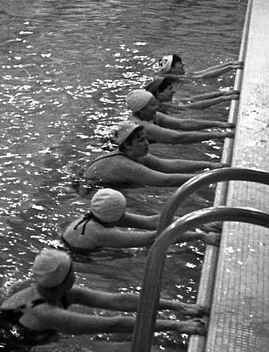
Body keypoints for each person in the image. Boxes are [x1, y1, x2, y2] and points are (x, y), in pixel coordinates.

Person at [0, 248, 206, 352]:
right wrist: (178, 327)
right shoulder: (46, 312)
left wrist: (176, 306)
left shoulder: (56, 291)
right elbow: (114, 325)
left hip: (17, 323)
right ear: (65, 279)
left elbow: (116, 300)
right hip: (9, 347)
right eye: (73, 271)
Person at [61, 188, 217, 252]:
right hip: (79, 258)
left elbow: (152, 221)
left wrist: (200, 221)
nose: (125, 214)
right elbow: (154, 237)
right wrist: (200, 236)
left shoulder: (100, 214)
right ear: (115, 215)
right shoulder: (99, 232)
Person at [82, 122, 223, 188]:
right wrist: (212, 178)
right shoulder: (124, 164)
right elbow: (165, 180)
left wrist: (209, 165)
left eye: (146, 138)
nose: (147, 143)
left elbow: (168, 165)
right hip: (88, 192)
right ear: (127, 145)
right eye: (141, 140)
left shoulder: (134, 155)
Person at [125, 89, 233, 144]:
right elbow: (177, 137)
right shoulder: (141, 125)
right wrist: (218, 135)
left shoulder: (149, 115)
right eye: (153, 105)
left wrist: (218, 124)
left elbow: (183, 123)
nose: (158, 106)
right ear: (141, 110)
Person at [144, 76, 238, 112]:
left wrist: (223, 94)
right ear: (159, 93)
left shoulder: (165, 102)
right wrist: (221, 99)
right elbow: (192, 106)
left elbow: (193, 99)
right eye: (169, 89)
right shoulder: (161, 107)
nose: (174, 92)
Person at [155, 53, 242, 81]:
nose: (184, 64)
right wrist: (230, 68)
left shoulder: (174, 74)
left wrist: (230, 64)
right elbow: (202, 77)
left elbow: (203, 72)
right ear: (172, 68)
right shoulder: (171, 78)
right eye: (180, 63)